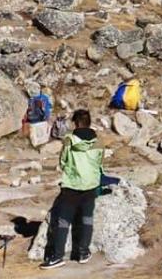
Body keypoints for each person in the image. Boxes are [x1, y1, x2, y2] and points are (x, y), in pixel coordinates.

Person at [40, 109, 104, 270]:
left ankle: (57, 257)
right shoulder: (99, 141)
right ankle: (83, 252)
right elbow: (99, 163)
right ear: (89, 122)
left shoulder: (69, 140)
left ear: (76, 123)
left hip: (71, 186)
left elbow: (63, 162)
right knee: (87, 219)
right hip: (91, 186)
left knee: (63, 222)